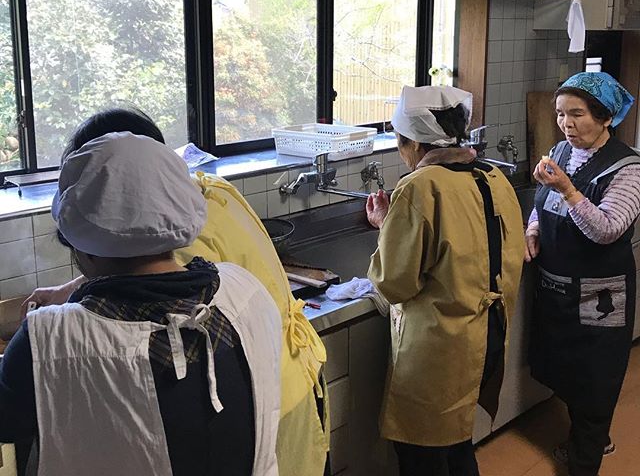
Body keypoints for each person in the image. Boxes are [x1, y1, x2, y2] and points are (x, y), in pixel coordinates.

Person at [19, 107, 329, 476]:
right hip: (275, 389)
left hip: (263, 405)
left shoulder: (46, 340)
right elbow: (150, 269)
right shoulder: (212, 213)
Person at [366, 85, 524, 476]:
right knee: (456, 444)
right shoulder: (493, 176)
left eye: (400, 143)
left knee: (422, 455)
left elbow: (393, 282)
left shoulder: (421, 186)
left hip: (439, 351)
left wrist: (385, 227)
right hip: (485, 337)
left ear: (411, 143)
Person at [525, 72, 640, 476]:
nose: (566, 124)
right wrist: (532, 229)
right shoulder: (560, 150)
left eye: (577, 114)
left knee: (595, 376)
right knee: (566, 370)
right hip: (557, 286)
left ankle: (584, 461)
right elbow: (541, 203)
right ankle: (592, 436)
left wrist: (569, 190)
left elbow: (607, 229)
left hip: (599, 294)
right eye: (560, 114)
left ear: (605, 117)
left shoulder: (628, 167)